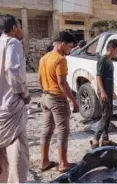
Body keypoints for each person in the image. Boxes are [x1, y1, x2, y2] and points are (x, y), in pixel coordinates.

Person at [38, 31, 79, 173]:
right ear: (62, 43)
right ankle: (63, 164)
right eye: (69, 47)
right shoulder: (60, 59)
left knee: (47, 130)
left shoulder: (44, 58)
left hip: (45, 97)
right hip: (57, 99)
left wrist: (46, 93)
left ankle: (44, 162)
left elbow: (39, 80)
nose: (70, 50)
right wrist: (73, 100)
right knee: (63, 131)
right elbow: (62, 83)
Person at [0, 14, 30, 183]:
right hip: (11, 110)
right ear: (13, 28)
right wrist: (24, 94)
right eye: (19, 26)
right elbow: (12, 70)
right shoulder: (12, 43)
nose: (21, 29)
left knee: (1, 162)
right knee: (18, 159)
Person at [90, 40, 117, 149]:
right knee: (105, 115)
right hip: (104, 92)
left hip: (108, 91)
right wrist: (102, 91)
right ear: (111, 49)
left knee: (109, 114)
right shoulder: (103, 59)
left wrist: (112, 91)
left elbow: (109, 78)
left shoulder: (110, 60)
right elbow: (98, 76)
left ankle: (105, 139)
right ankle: (95, 140)